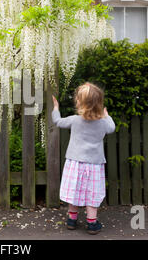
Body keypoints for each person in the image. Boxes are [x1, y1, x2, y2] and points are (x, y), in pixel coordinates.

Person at [52, 82, 115, 235]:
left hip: (75, 163)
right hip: (94, 165)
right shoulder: (103, 123)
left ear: (79, 102)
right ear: (99, 103)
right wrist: (107, 115)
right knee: (92, 193)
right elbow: (112, 128)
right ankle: (92, 224)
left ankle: (71, 220)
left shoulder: (74, 120)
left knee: (74, 191)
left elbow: (57, 122)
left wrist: (56, 109)